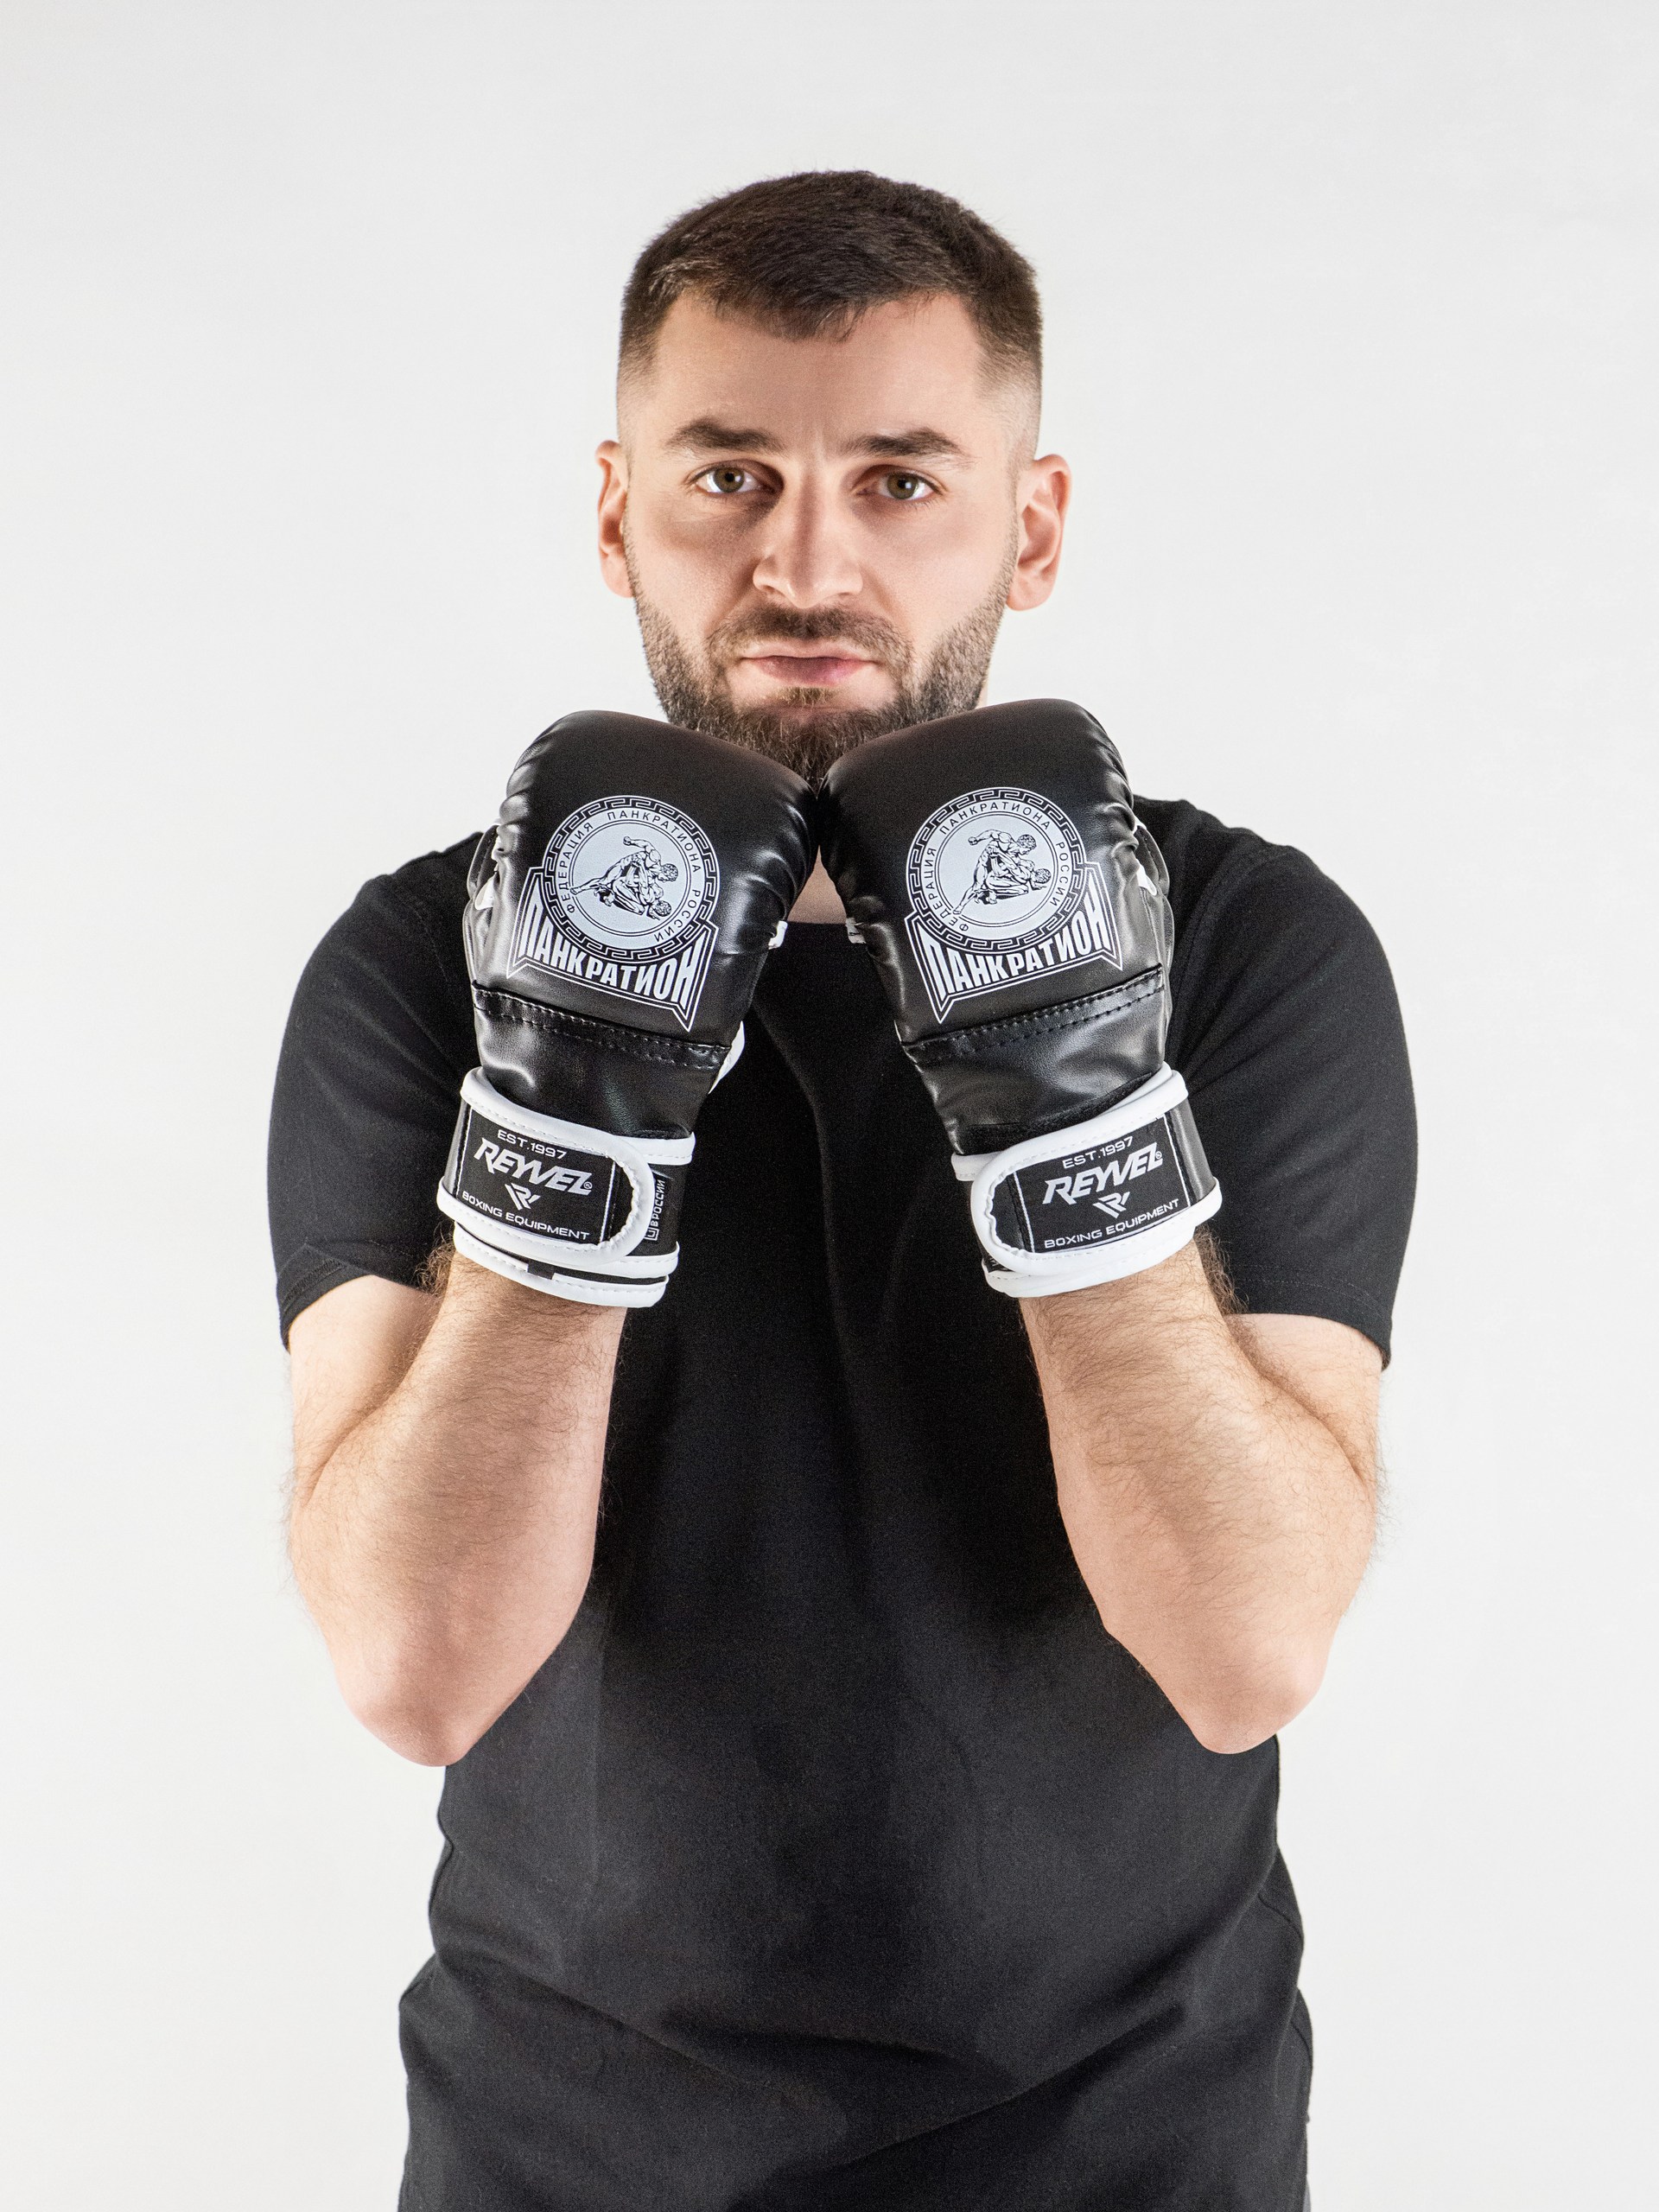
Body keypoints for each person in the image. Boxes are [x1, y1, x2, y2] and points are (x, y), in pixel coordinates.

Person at [270, 170, 1414, 2212]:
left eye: (901, 480)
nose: (807, 561)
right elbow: (414, 1663)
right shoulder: (417, 964)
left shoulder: (1244, 944)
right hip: (566, 2155)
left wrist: (1061, 1082)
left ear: (1029, 526)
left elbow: (1246, 1646)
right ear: (617, 511)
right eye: (731, 476)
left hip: (1126, 2154)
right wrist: (575, 1095)